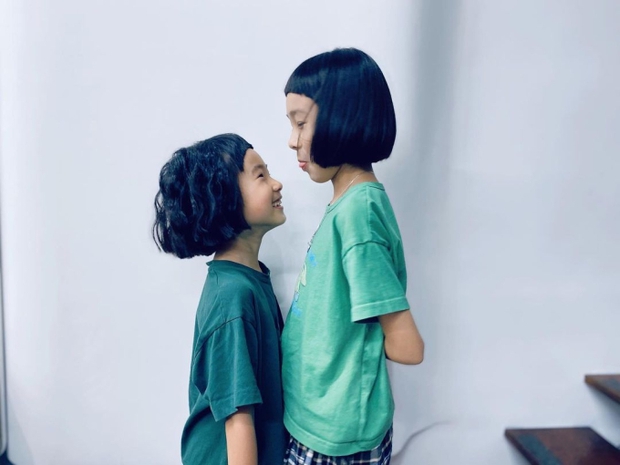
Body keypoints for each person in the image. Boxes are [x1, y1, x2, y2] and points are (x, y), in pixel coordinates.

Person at [282, 48, 425, 464]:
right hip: (317, 423)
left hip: (334, 436)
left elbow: (407, 347)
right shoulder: (350, 206)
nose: (292, 140)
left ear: (342, 117)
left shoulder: (358, 214)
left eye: (301, 123)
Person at [152, 133, 288, 465]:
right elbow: (238, 420)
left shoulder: (249, 278)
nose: (277, 184)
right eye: (260, 175)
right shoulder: (232, 296)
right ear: (224, 198)